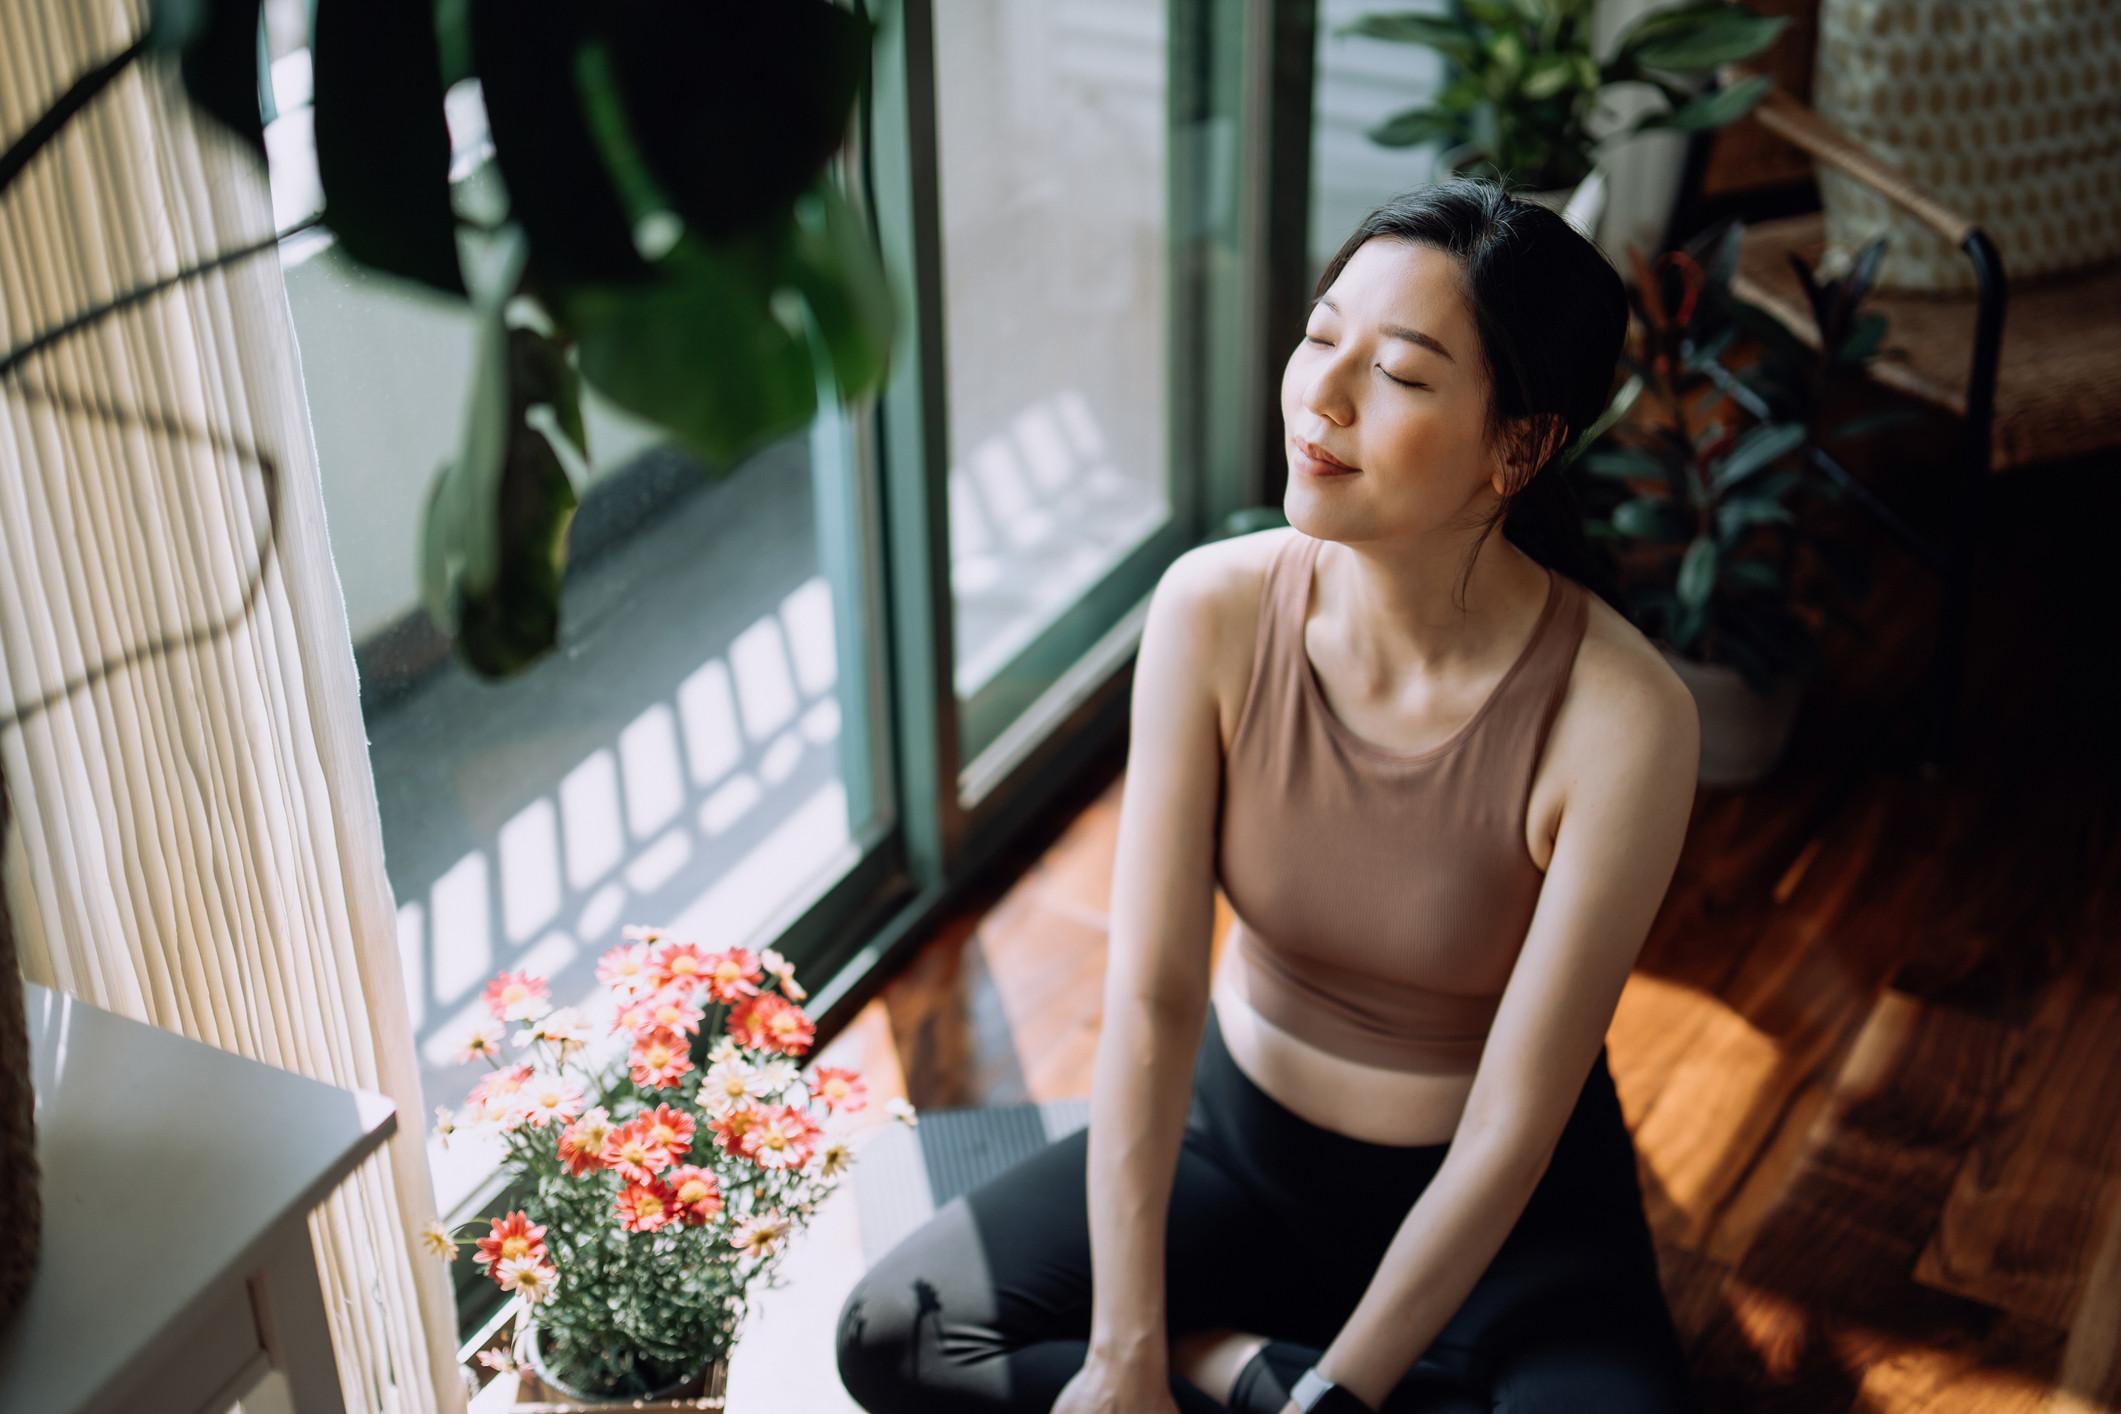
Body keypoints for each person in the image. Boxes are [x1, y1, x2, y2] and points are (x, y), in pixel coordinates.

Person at [834, 177, 1703, 1414]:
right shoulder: (1214, 607)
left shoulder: (1626, 718)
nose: (1323, 398)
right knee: (897, 1330)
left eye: (1400, 375)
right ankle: (1227, 1364)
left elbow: (1514, 1125)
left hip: (1505, 1224)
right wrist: (1129, 1349)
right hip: (1238, 1155)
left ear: (1520, 446)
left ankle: (1276, 1371)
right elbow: (1151, 992)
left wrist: (1339, 1397)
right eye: (1319, 335)